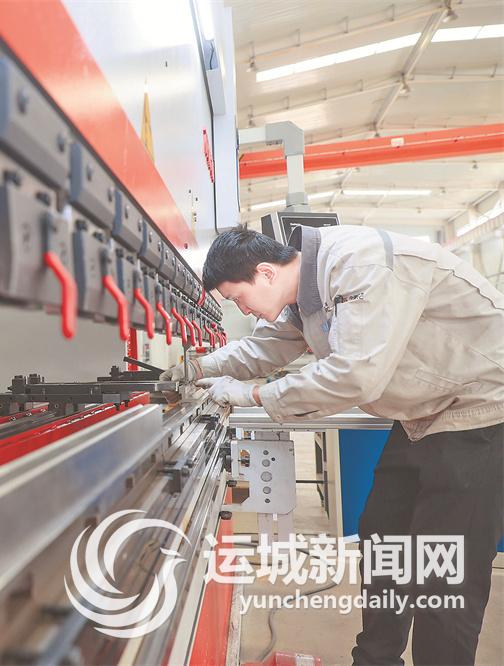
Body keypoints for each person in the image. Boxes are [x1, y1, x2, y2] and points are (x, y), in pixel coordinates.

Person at [162, 225, 504, 666]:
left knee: (443, 571)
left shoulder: (357, 264)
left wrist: (254, 394)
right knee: (383, 540)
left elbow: (355, 374)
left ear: (265, 273)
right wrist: (197, 368)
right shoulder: (305, 293)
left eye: (238, 298)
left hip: (479, 410)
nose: (242, 309)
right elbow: (266, 348)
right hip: (422, 414)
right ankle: (376, 661)